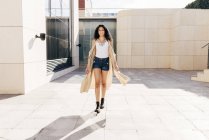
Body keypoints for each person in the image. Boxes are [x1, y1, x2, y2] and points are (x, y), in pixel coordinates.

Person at [80, 24, 129, 114]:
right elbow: (91, 54)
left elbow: (112, 53)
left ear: (105, 31)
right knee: (97, 84)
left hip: (106, 62)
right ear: (97, 32)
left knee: (104, 83)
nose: (101, 31)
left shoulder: (109, 41)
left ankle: (102, 99)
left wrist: (115, 64)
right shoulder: (94, 40)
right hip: (97, 62)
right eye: (99, 30)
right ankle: (97, 104)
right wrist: (88, 66)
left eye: (102, 30)